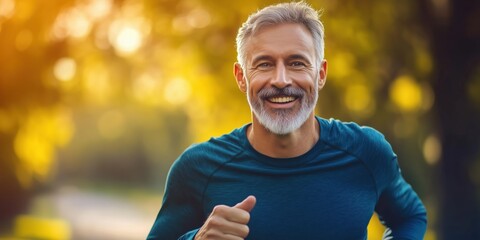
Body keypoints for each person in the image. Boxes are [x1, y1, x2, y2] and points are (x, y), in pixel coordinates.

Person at [147, 2, 427, 239]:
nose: (281, 80)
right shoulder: (197, 169)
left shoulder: (367, 152)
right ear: (241, 77)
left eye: (296, 63)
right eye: (265, 64)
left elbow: (410, 216)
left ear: (320, 73)